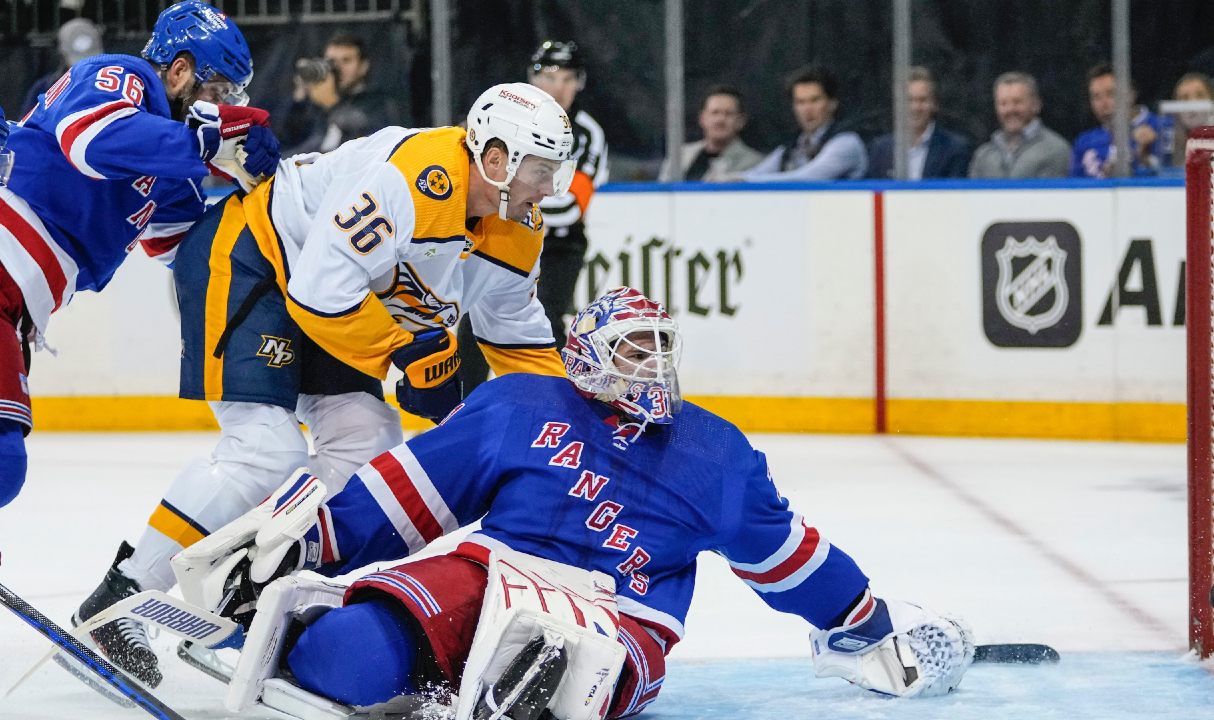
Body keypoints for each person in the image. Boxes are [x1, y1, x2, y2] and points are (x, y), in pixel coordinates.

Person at [174, 287, 976, 717]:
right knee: (337, 663)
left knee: (560, 681)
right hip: (490, 571)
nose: (652, 368)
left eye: (661, 351)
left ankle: (486, 691)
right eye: (634, 351)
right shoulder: (521, 404)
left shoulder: (717, 452)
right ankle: (288, 632)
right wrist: (311, 541)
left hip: (618, 618)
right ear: (588, 356)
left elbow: (794, 562)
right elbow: (406, 495)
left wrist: (867, 628)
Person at [73, 82, 575, 689]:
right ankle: (119, 597)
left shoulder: (517, 224)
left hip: (335, 295)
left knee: (366, 446)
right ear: (496, 159)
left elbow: (515, 332)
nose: (551, 187)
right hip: (255, 256)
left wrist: (565, 420)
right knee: (263, 448)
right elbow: (318, 291)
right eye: (541, 169)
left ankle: (248, 582)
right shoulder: (414, 178)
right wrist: (405, 357)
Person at [0, 0, 276, 512]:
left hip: (16, 302)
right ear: (179, 71)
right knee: (3, 462)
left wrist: (278, 215)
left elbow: (193, 250)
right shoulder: (116, 74)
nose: (219, 108)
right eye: (216, 94)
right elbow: (92, 141)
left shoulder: (170, 166)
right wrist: (212, 141)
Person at [457, 41, 609, 395]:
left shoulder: (587, 133)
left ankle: (552, 407)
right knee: (473, 325)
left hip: (557, 247)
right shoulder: (506, 119)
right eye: (549, 76)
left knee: (546, 322)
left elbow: (572, 207)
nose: (558, 87)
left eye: (568, 78)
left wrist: (506, 201)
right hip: (498, 233)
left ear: (580, 83)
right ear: (532, 79)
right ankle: (457, 411)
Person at [278, 33, 399, 155]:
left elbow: (364, 138)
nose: (337, 68)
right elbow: (286, 137)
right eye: (331, 62)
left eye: (346, 61)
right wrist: (300, 96)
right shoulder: (317, 103)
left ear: (363, 66)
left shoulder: (378, 103)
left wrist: (333, 104)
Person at [743, 67, 867, 181]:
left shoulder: (846, 142)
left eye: (815, 100)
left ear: (832, 103)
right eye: (800, 102)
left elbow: (808, 178)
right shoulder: (793, 145)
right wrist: (732, 179)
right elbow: (757, 173)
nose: (807, 109)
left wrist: (746, 180)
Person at [866, 67, 972, 180]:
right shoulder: (881, 149)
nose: (916, 107)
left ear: (934, 104)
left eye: (922, 100)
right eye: (909, 100)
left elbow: (955, 194)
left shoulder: (954, 149)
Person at [1070, 64, 1172, 178]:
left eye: (1111, 94)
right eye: (1096, 97)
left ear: (1131, 94)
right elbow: (1075, 190)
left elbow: (1177, 178)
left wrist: (1147, 159)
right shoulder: (1084, 142)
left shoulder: (1166, 128)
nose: (1104, 104)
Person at [968, 72, 1071, 179]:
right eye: (1003, 103)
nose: (1010, 109)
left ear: (1036, 105)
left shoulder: (1055, 150)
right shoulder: (983, 155)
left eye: (1017, 102)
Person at [659, 85, 764, 181]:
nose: (720, 120)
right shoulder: (680, 156)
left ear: (740, 121)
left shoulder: (754, 164)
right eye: (715, 113)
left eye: (728, 114)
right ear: (702, 118)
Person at [19, 18, 103, 116]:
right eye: (78, 66)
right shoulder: (44, 89)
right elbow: (25, 127)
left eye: (91, 63)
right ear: (62, 55)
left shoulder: (119, 84)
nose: (85, 71)